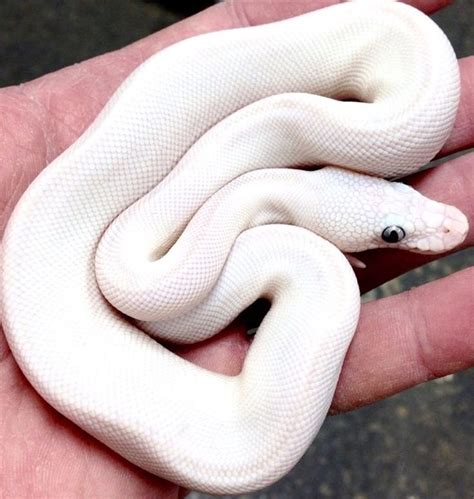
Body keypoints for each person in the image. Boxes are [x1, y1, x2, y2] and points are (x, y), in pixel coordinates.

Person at [0, 0, 472, 496]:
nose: (439, 229)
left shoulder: (222, 218)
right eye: (392, 235)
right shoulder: (141, 274)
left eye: (395, 222)